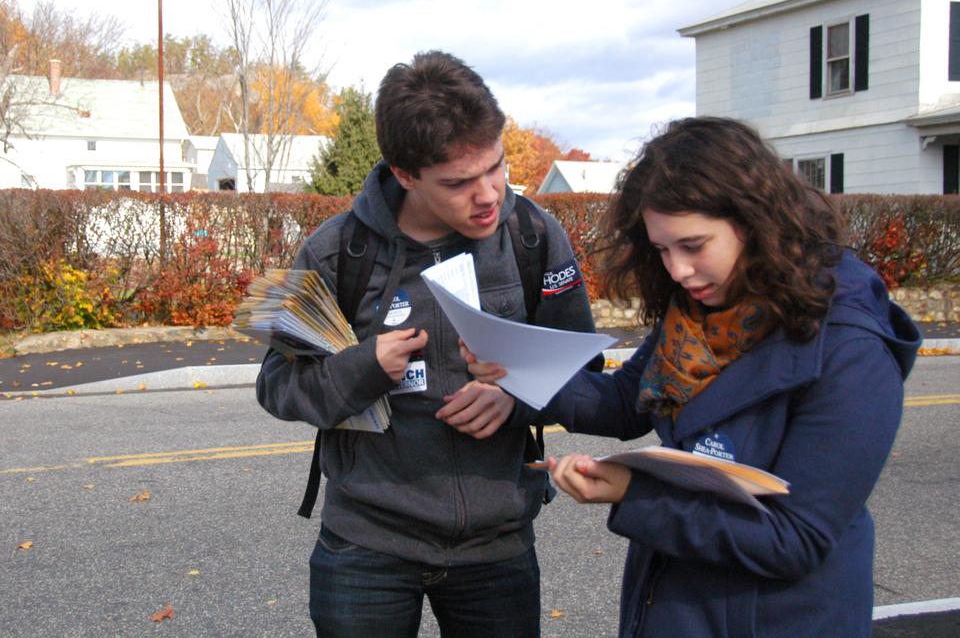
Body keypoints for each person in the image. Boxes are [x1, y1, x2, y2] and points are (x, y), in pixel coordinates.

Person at [463, 117, 921, 637]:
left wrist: (635, 495)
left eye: (693, 245)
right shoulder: (701, 307)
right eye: (661, 250)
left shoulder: (851, 348)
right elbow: (623, 403)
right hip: (677, 606)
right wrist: (516, 370)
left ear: (756, 221)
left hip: (781, 618)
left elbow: (795, 539)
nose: (677, 270)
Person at [256, 50, 600, 637]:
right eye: (459, 182)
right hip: (365, 550)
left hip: (497, 550)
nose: (489, 194)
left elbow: (584, 368)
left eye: (496, 167)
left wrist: (514, 399)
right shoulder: (335, 250)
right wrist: (365, 366)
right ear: (405, 174)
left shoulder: (534, 235)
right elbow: (277, 384)